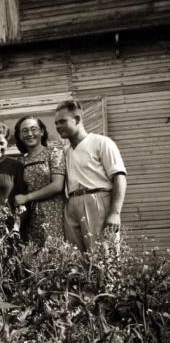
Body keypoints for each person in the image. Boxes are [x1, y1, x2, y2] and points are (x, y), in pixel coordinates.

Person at [55, 100, 127, 253]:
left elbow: (119, 177)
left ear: (77, 119)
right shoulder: (65, 151)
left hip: (97, 199)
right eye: (56, 123)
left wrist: (115, 213)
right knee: (76, 260)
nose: (58, 126)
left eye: (62, 121)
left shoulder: (101, 142)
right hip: (72, 203)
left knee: (103, 255)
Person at [14, 116, 66, 246]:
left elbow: (57, 185)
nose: (30, 134)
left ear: (42, 132)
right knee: (32, 257)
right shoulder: (20, 162)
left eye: (33, 129)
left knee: (54, 253)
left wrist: (27, 197)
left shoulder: (54, 153)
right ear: (20, 136)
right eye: (24, 131)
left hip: (53, 212)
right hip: (30, 217)